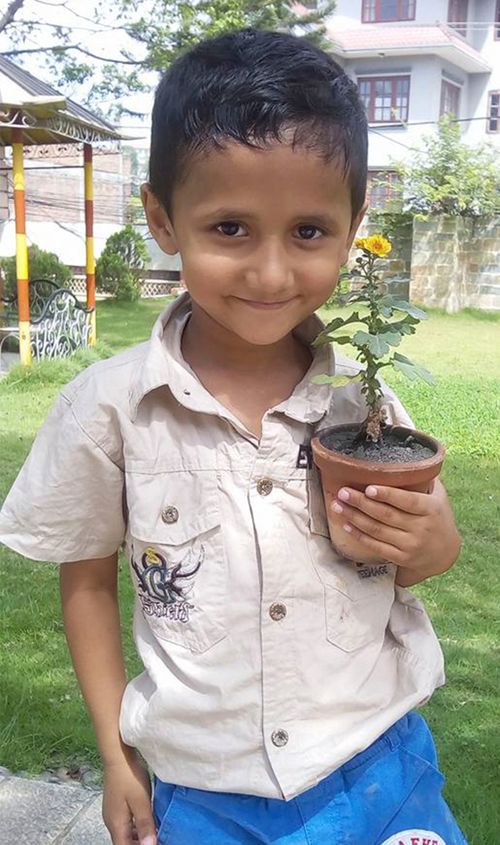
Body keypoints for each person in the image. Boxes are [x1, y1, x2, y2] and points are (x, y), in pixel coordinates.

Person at [0, 28, 466, 845]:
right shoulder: (107, 411)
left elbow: (419, 558)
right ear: (163, 219)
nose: (272, 273)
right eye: (231, 229)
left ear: (355, 223)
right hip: (207, 795)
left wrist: (434, 543)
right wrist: (117, 757)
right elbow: (87, 585)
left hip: (382, 768)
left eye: (310, 232)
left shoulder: (363, 404)